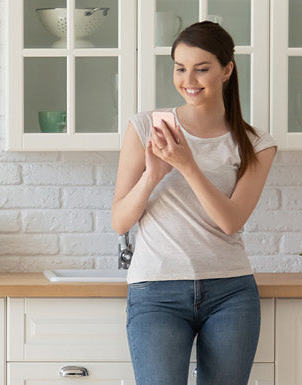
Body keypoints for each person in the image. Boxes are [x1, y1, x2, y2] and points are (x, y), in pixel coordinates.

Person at [110, 21, 278, 385]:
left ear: (227, 70)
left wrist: (187, 165)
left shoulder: (255, 143)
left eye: (202, 68)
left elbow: (231, 221)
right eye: (180, 68)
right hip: (156, 291)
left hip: (230, 292)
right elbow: (120, 222)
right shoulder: (143, 127)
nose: (189, 79)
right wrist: (153, 175)